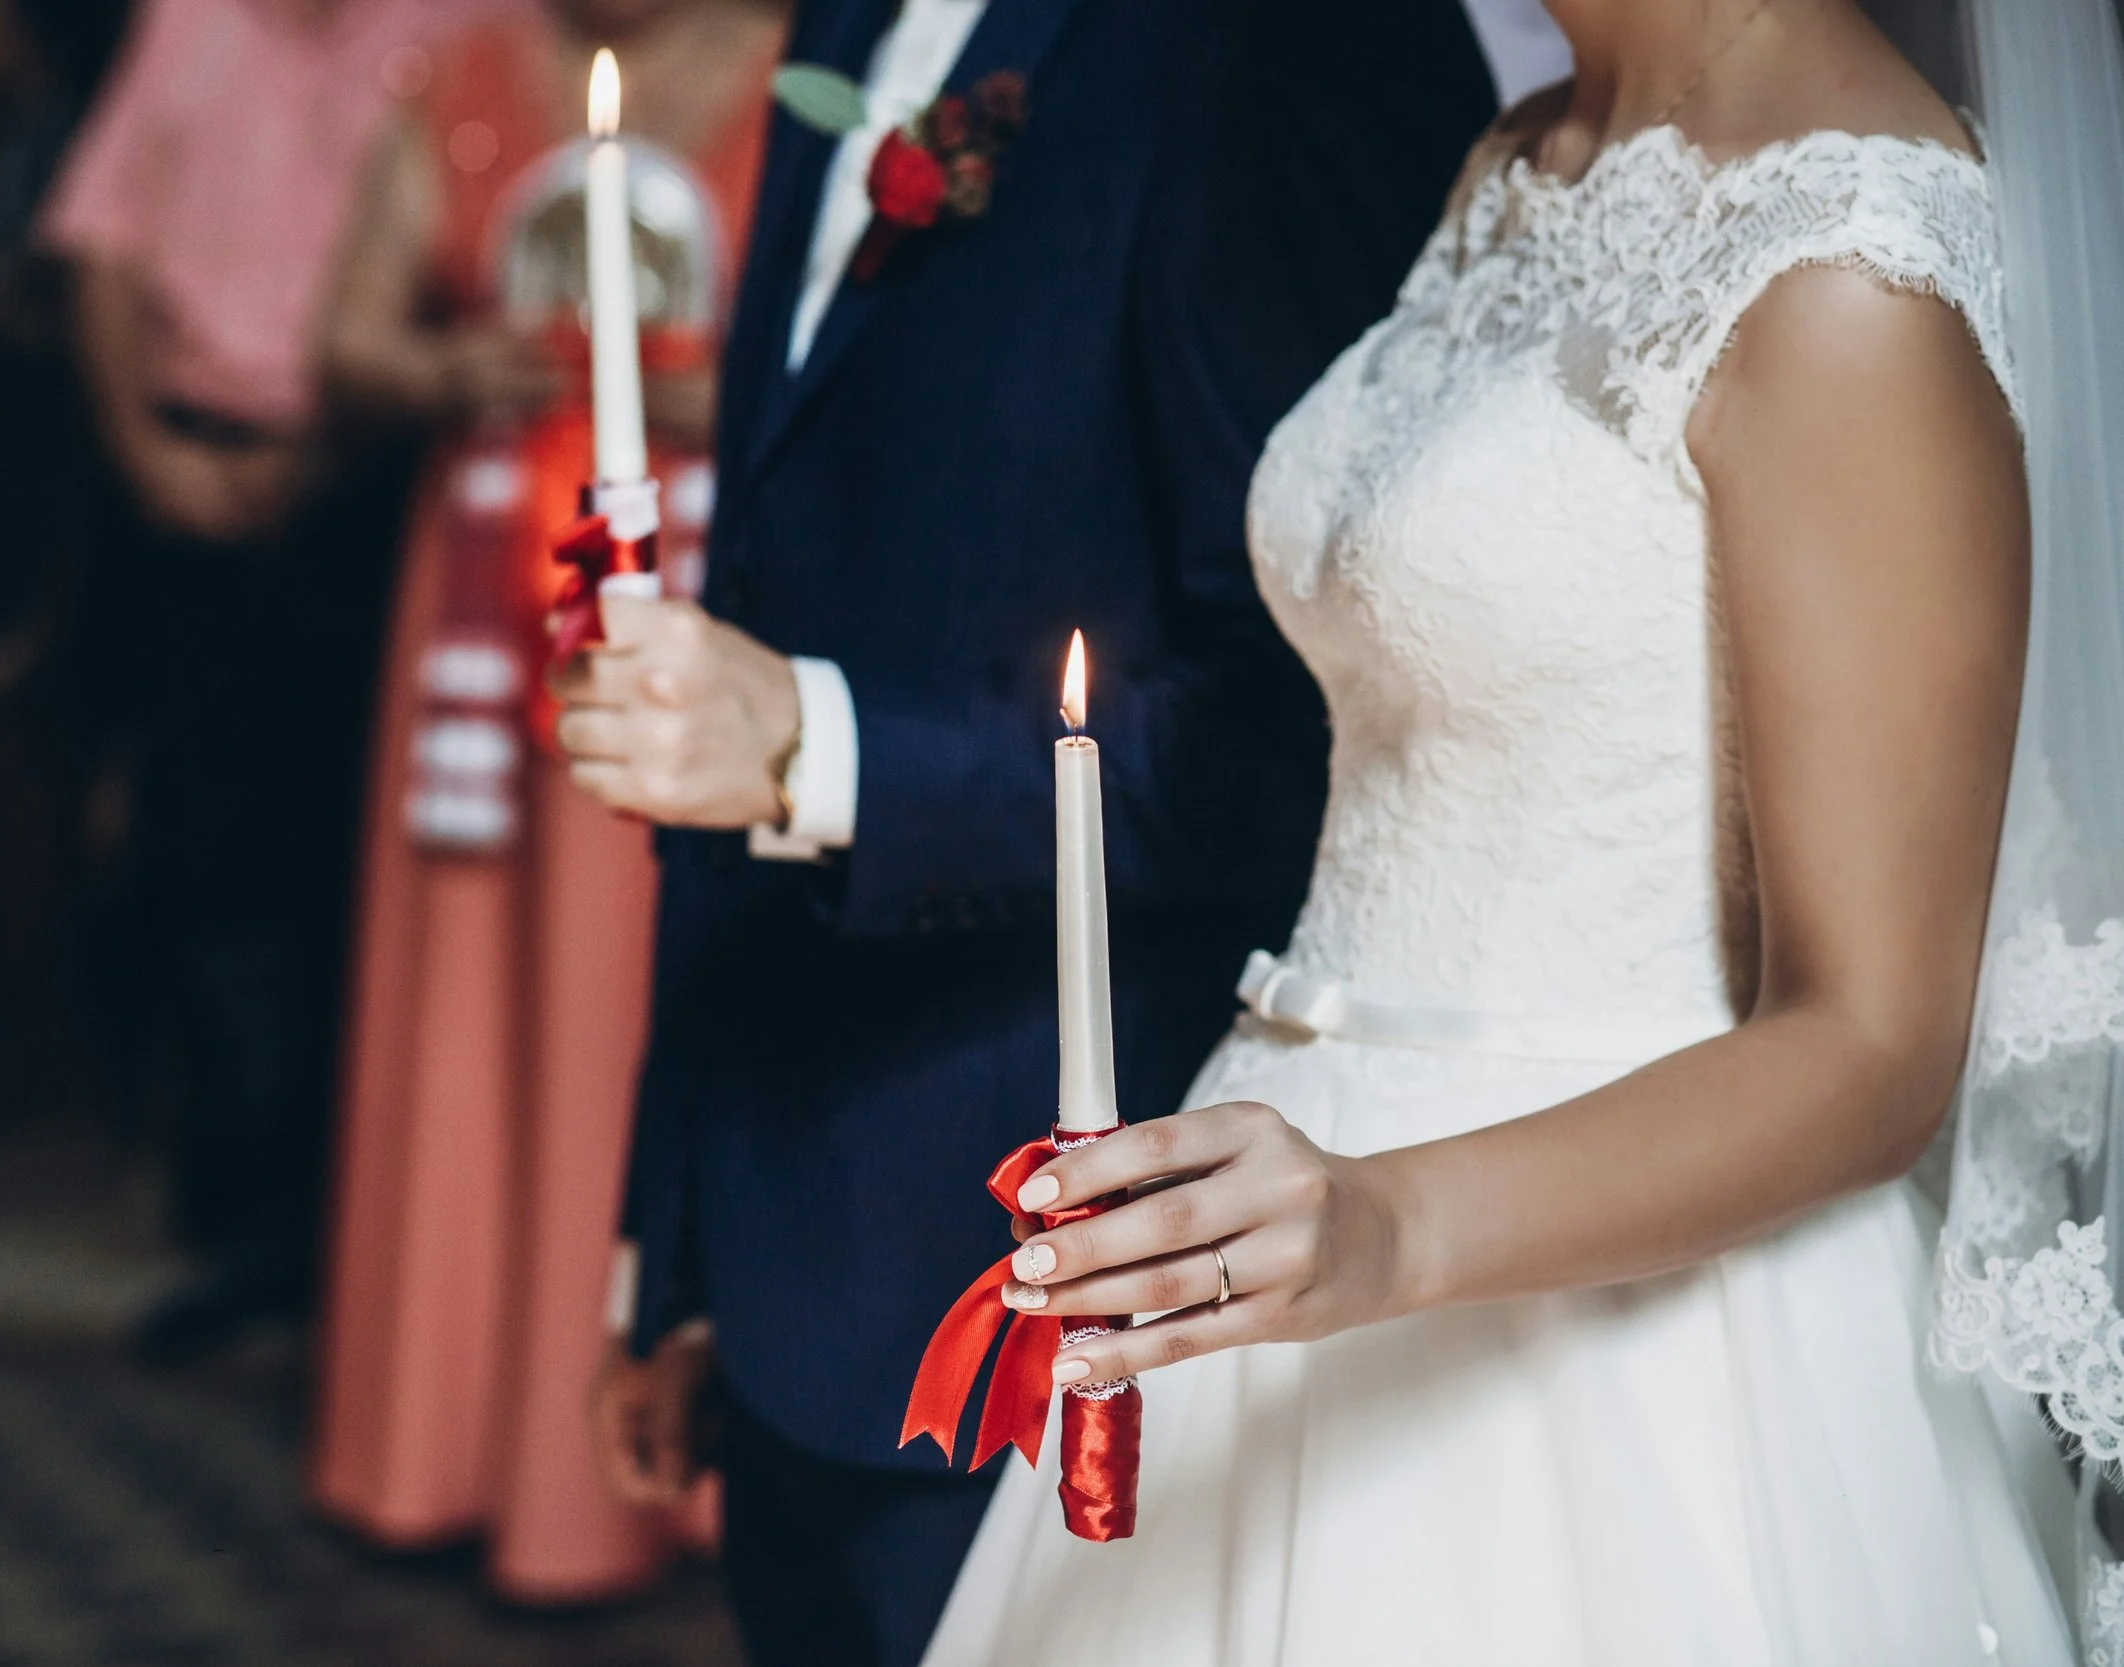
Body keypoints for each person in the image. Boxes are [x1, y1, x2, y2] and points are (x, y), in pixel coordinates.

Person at [912, 0, 2124, 1657]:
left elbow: (1877, 1039)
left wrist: (1385, 1220)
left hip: (1642, 1340)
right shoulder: (1533, 146)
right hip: (1279, 1171)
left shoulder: (1853, 259)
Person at [550, 0, 1515, 1660]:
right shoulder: (846, 22)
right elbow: (773, 571)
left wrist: (823, 745)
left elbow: (1312, 728)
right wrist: (679, 1238)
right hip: (789, 1222)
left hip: (1076, 1277)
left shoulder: (1293, 46)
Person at [305, 0, 785, 1602]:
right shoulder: (459, 75)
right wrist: (459, 365)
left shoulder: (804, 74)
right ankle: (451, 1434)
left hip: (708, 616)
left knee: (658, 1003)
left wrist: (727, 399)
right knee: (473, 1019)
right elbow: (348, 341)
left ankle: (683, 1457)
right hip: (484, 620)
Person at [40, 0, 482, 1358]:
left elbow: (470, 272)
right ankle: (247, 1219)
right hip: (182, 475)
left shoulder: (465, 28)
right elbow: (102, 247)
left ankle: (362, 1232)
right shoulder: (192, 19)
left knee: (374, 858)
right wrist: (145, 451)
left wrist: (330, 460)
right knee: (219, 850)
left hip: (368, 489)